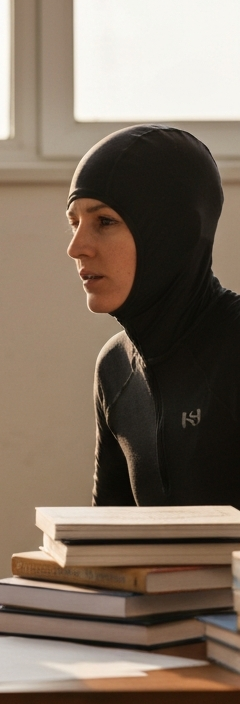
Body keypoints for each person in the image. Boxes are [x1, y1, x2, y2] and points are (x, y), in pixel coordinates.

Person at [66, 123, 240, 506]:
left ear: (171, 231)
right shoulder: (115, 366)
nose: (76, 248)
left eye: (104, 221)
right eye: (74, 223)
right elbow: (110, 530)